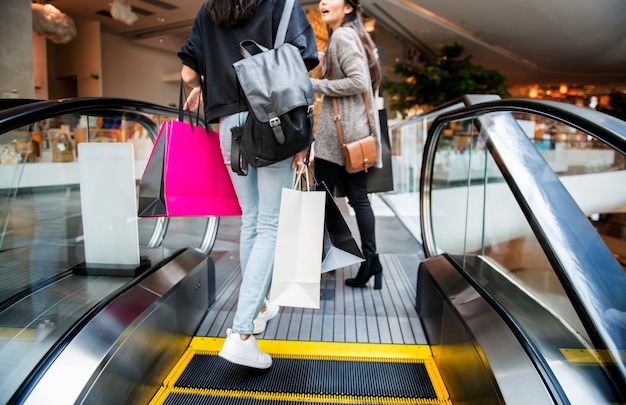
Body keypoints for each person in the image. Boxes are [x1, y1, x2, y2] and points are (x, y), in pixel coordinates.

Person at [178, 0, 318, 369]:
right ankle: (242, 334)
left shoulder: (209, 10)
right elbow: (301, 65)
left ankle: (254, 312)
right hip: (273, 119)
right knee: (271, 224)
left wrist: (211, 77)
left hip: (229, 126)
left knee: (253, 221)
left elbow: (187, 75)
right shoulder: (281, 4)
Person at [311, 0, 383, 289]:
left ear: (350, 7)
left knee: (321, 199)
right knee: (358, 198)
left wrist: (316, 86)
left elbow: (358, 82)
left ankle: (326, 259)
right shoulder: (350, 35)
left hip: (337, 138)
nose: (323, 2)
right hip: (355, 135)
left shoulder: (342, 36)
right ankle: (371, 261)